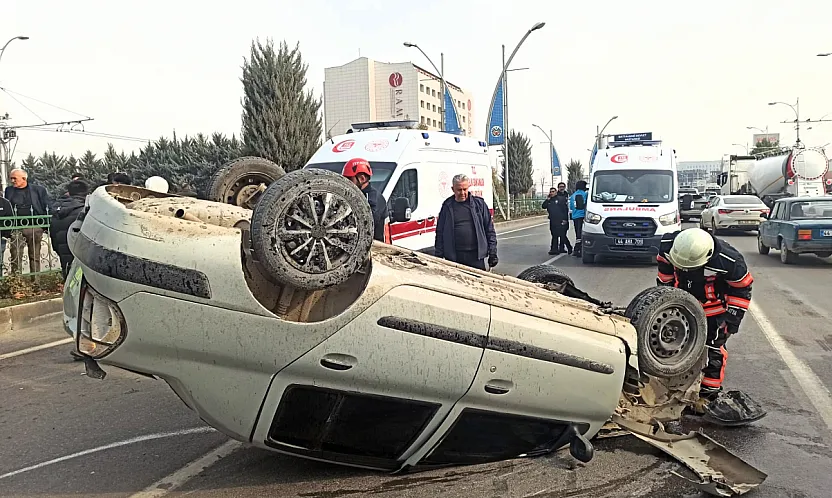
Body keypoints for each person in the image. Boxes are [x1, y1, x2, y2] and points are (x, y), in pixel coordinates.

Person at [656, 228, 753, 412]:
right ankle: (672, 388)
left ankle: (707, 395)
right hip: (680, 303)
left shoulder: (730, 261)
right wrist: (664, 296)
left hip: (713, 309)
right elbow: (664, 270)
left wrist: (732, 320)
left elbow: (742, 288)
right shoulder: (669, 245)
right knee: (673, 346)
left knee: (713, 349)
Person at [435, 174, 498, 270]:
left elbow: (489, 230)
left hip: (476, 257)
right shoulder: (447, 206)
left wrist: (492, 253)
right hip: (454, 258)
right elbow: (440, 232)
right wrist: (438, 256)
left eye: (465, 189)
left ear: (468, 187)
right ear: (453, 189)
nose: (462, 193)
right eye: (459, 190)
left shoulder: (479, 205)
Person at [5, 168, 51, 273]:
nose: (12, 181)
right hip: (17, 228)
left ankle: (36, 283)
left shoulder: (39, 190)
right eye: (11, 178)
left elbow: (47, 206)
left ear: (24, 178)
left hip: (34, 227)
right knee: (15, 256)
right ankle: (17, 282)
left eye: (14, 178)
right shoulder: (9, 190)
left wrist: (45, 226)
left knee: (34, 256)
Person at [50, 180, 89, 278]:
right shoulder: (84, 209)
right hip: (80, 253)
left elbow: (53, 232)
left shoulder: (58, 208)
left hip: (62, 250)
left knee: (68, 277)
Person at [342, 157, 388, 242]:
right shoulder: (354, 194)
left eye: (349, 179)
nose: (346, 183)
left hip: (376, 248)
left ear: (362, 178)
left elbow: (367, 225)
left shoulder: (373, 198)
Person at [542, 183, 572, 255]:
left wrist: (565, 219)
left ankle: (569, 247)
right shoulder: (549, 200)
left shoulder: (560, 199)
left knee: (562, 235)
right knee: (554, 235)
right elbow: (543, 206)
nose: (551, 193)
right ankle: (554, 249)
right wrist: (547, 199)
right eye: (550, 191)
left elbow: (565, 210)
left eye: (553, 191)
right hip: (553, 220)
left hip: (560, 220)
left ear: (556, 192)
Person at [569, 180, 588, 257]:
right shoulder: (585, 194)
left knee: (577, 233)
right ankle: (579, 249)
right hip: (582, 215)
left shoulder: (573, 195)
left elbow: (571, 207)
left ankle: (576, 249)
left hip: (575, 216)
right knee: (582, 233)